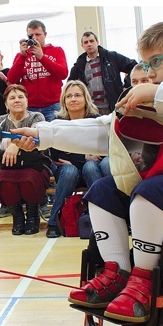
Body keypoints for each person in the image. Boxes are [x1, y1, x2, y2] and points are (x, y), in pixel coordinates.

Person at [12, 19, 163, 323]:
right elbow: (106, 131)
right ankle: (117, 273)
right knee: (102, 190)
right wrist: (43, 135)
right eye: (146, 63)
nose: (150, 71)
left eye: (156, 62)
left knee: (150, 190)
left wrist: (160, 93)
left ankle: (144, 281)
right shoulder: (160, 94)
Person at [45, 80, 108, 238]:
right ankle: (53, 222)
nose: (73, 99)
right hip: (68, 172)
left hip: (93, 170)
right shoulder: (58, 123)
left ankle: (103, 219)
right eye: (69, 96)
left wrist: (76, 158)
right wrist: (84, 156)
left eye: (78, 95)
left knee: (90, 167)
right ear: (64, 101)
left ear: (86, 99)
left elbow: (103, 149)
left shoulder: (98, 121)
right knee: (69, 170)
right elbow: (57, 153)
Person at [0, 84, 50, 235]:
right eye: (12, 98)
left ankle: (33, 217)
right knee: (4, 179)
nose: (17, 100)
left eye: (21, 97)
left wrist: (13, 145)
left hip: (34, 165)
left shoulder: (37, 117)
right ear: (6, 104)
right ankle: (17, 218)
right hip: (6, 167)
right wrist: (13, 144)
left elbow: (36, 139)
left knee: (29, 177)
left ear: (27, 101)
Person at [6, 20, 68, 122]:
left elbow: (63, 74)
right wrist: (22, 56)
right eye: (31, 36)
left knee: (54, 136)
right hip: (29, 107)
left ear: (45, 34)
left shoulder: (57, 51)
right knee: (30, 137)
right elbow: (11, 79)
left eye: (38, 34)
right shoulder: (21, 55)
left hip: (53, 106)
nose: (35, 38)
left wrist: (42, 57)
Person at [68, 31, 137, 115]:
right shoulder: (80, 64)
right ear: (82, 46)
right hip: (91, 109)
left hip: (113, 106)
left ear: (97, 42)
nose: (89, 44)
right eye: (86, 42)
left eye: (92, 41)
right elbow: (70, 83)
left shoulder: (112, 57)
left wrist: (127, 86)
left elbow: (134, 66)